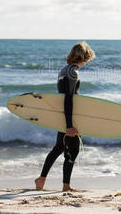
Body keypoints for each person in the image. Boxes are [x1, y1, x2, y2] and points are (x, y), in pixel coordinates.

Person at [35, 41, 95, 191]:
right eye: (87, 58)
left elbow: (63, 97)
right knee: (73, 150)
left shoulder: (64, 70)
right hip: (69, 116)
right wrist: (69, 125)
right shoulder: (73, 72)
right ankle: (65, 186)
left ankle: (42, 180)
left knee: (59, 147)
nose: (87, 62)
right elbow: (68, 98)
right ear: (83, 56)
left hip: (62, 114)